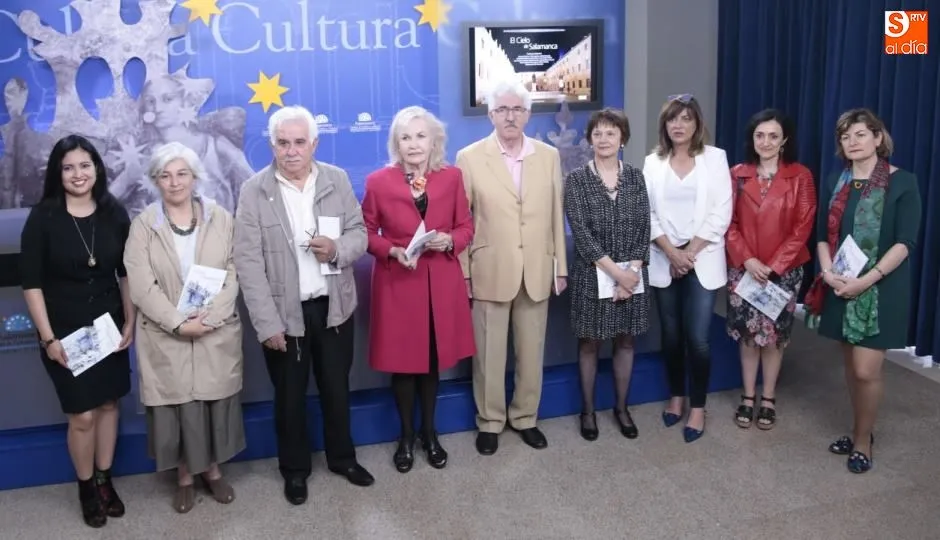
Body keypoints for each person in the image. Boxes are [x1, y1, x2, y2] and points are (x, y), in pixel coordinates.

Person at [233, 105, 373, 505]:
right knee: (289, 398)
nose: (291, 151)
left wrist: (337, 250)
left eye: (299, 142)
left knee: (336, 389)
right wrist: (266, 324)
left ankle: (342, 459)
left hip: (333, 308)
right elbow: (248, 262)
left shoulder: (337, 179)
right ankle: (294, 471)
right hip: (284, 315)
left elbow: (359, 234)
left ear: (314, 143)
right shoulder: (253, 190)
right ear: (272, 144)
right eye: (283, 143)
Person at [19, 134, 134, 528]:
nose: (78, 174)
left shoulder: (114, 212)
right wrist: (48, 339)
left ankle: (105, 479)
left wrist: (131, 320)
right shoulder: (44, 217)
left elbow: (126, 273)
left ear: (97, 168)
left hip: (109, 328)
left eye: (85, 165)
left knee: (108, 405)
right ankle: (86, 486)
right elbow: (31, 284)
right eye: (68, 167)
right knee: (82, 414)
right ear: (57, 172)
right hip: (64, 332)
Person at [122, 142, 245, 513]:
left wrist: (210, 317)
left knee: (210, 400)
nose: (174, 182)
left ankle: (212, 470)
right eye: (165, 175)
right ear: (155, 181)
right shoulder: (144, 225)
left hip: (214, 328)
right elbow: (141, 284)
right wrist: (177, 322)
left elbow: (235, 271)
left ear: (195, 177)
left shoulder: (221, 218)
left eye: (182, 174)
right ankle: (184, 477)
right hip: (166, 333)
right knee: (177, 406)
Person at [804, 108, 922, 474]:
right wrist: (828, 272)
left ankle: (862, 441)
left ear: (877, 137)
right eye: (845, 137)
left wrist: (865, 281)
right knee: (851, 369)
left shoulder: (903, 182)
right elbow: (823, 236)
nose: (852, 142)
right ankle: (861, 429)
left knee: (866, 370)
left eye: (859, 134)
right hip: (840, 284)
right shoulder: (835, 182)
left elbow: (905, 243)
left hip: (881, 288)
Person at [456, 79, 568, 456]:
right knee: (488, 354)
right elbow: (463, 220)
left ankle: (525, 417)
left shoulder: (548, 156)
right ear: (490, 115)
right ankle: (489, 422)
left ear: (528, 114)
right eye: (502, 109)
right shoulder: (469, 157)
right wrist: (465, 273)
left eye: (517, 109)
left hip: (537, 268)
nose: (510, 116)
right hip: (490, 267)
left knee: (532, 350)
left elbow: (556, 215)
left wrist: (560, 267)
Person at [362, 106, 475, 472]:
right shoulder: (378, 182)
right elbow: (364, 233)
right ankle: (406, 437)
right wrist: (391, 250)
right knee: (403, 366)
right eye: (405, 137)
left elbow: (466, 228)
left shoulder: (452, 177)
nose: (413, 144)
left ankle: (430, 433)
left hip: (439, 284)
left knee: (430, 364)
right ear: (396, 142)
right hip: (399, 283)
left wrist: (449, 240)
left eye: (420, 136)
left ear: (434, 140)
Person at [643, 94, 732, 443]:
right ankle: (676, 396)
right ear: (665, 125)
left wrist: (689, 253)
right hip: (665, 258)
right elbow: (646, 212)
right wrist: (671, 251)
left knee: (698, 338)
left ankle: (698, 405)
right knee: (671, 336)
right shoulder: (653, 162)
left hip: (702, 258)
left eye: (686, 118)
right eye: (672, 119)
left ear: (697, 123)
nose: (679, 125)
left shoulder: (715, 159)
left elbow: (721, 211)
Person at [562, 107, 650, 441]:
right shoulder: (577, 180)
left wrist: (631, 274)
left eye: (611, 132)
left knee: (625, 341)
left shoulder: (636, 177)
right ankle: (588, 411)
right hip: (592, 274)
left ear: (622, 138)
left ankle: (622, 408)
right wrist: (617, 274)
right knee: (589, 343)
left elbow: (644, 227)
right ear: (589, 139)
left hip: (632, 274)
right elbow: (581, 234)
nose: (603, 139)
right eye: (597, 133)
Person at [725, 109, 816, 430]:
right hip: (744, 269)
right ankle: (748, 396)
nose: (766, 141)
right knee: (749, 336)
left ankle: (768, 397)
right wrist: (748, 260)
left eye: (773, 136)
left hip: (785, 271)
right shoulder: (737, 174)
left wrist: (774, 266)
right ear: (752, 139)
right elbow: (728, 224)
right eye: (760, 135)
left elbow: (804, 226)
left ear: (784, 140)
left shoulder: (800, 176)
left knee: (774, 337)